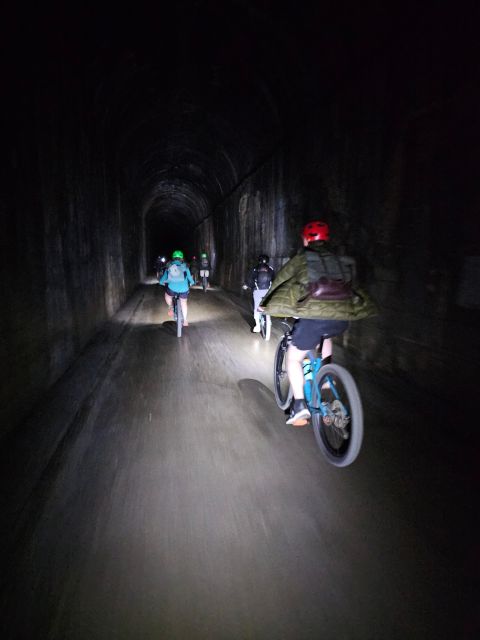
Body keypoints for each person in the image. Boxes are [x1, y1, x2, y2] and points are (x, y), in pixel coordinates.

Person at [260, 220, 377, 426]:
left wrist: (265, 303)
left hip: (313, 318)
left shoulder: (302, 259)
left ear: (306, 240)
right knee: (326, 336)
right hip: (341, 317)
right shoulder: (339, 260)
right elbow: (353, 285)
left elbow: (280, 280)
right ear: (326, 240)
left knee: (294, 359)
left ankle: (299, 406)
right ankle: (326, 377)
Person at [159, 250, 195, 326]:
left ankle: (171, 307)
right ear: (182, 258)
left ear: (173, 258)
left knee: (167, 295)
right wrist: (192, 283)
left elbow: (163, 278)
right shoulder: (185, 266)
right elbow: (189, 277)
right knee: (184, 302)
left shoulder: (169, 266)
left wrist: (162, 282)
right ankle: (185, 320)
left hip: (172, 288)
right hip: (184, 289)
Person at [243, 254, 275, 332]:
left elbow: (250, 280)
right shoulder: (271, 269)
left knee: (257, 307)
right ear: (267, 261)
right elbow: (274, 279)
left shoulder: (255, 269)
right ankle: (269, 320)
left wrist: (246, 286)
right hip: (268, 291)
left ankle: (257, 326)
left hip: (257, 291)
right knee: (267, 304)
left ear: (259, 260)